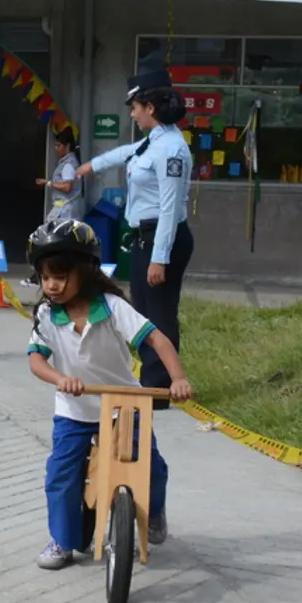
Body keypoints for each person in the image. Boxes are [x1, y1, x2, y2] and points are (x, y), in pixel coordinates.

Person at [25, 219, 193, 570]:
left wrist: (178, 379)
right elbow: (36, 361)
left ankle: (154, 512)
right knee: (61, 476)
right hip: (74, 410)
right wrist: (60, 378)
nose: (51, 286)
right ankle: (64, 540)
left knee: (151, 467)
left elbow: (156, 339)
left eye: (59, 276)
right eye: (44, 277)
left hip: (124, 406)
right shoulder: (45, 313)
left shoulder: (113, 308)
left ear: (85, 271)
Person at [76, 69, 194, 407]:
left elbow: (170, 209)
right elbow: (127, 153)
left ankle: (158, 392)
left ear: (151, 108)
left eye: (135, 107)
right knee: (143, 311)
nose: (132, 113)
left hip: (163, 237)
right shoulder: (153, 142)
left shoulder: (172, 150)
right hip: (147, 236)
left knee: (159, 313)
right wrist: (92, 166)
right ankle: (151, 381)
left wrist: (160, 257)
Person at [37, 127, 86, 223]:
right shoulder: (69, 162)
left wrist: (49, 183)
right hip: (66, 210)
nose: (56, 149)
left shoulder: (68, 164)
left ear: (67, 146)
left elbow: (67, 187)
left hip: (65, 211)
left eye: (58, 146)